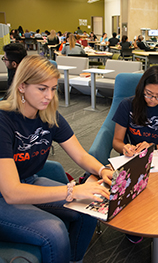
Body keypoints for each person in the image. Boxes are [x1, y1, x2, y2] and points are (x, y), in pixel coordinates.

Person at [0, 55, 113, 263]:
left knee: (90, 205)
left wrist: (103, 170)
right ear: (22, 87)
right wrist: (72, 190)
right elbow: (11, 192)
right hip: (3, 195)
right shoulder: (3, 120)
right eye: (42, 89)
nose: (49, 96)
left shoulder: (48, 115)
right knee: (54, 231)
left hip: (29, 180)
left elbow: (80, 155)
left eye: (53, 89)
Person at [112, 65, 158, 156]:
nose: (153, 99)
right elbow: (116, 141)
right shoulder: (127, 105)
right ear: (142, 89)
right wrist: (125, 148)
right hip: (132, 157)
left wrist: (152, 147)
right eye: (149, 94)